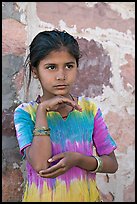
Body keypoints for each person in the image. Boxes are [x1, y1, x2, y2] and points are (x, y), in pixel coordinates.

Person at [14, 29, 118, 202]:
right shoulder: (26, 113)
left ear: (77, 66)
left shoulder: (89, 110)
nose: (61, 76)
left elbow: (112, 164)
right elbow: (40, 165)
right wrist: (42, 111)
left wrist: (78, 160)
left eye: (69, 66)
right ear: (35, 71)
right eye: (51, 67)